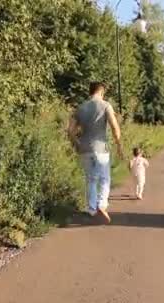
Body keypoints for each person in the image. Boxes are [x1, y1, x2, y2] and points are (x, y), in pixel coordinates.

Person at [67, 82, 123, 224]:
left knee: (91, 179)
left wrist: (76, 144)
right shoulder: (105, 105)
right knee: (104, 178)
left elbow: (70, 131)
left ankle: (92, 209)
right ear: (101, 91)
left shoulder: (80, 107)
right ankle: (102, 205)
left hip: (84, 148)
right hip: (101, 148)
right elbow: (115, 128)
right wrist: (119, 146)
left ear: (90, 91)